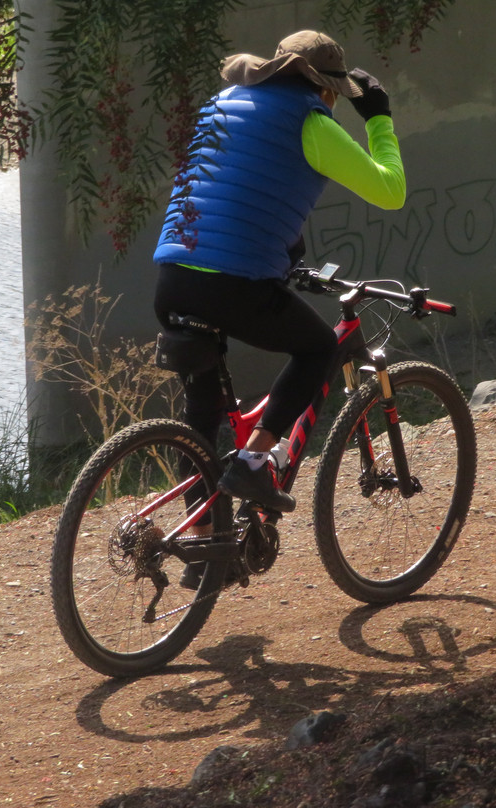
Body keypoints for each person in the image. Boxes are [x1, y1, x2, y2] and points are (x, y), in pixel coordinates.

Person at [152, 30, 407, 514]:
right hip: (230, 283)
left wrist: (287, 249)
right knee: (317, 348)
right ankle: (253, 462)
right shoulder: (313, 123)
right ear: (327, 89)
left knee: (201, 421)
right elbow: (390, 191)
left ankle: (202, 551)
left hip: (172, 276)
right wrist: (378, 120)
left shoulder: (225, 102)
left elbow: (233, 188)